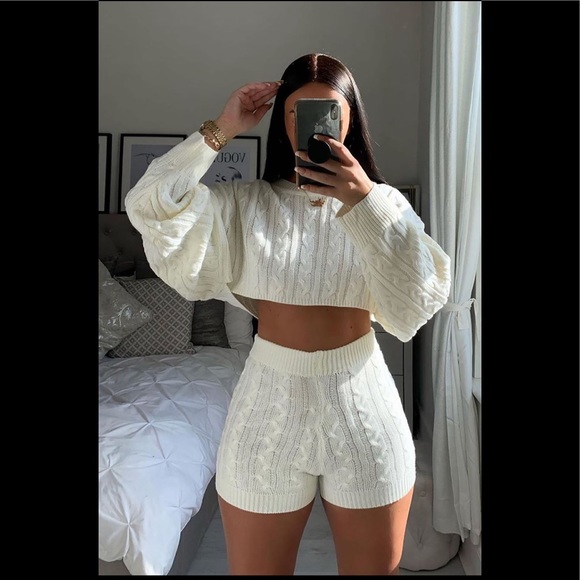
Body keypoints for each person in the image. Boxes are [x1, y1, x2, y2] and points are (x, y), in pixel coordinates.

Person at [125, 53, 451, 576]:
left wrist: (363, 201)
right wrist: (223, 128)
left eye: (330, 111)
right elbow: (150, 205)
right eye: (299, 113)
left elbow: (420, 296)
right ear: (282, 121)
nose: (314, 125)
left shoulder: (385, 204)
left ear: (350, 119)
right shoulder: (244, 206)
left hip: (365, 411)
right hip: (265, 408)